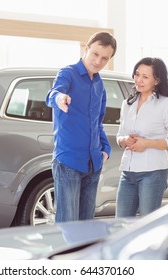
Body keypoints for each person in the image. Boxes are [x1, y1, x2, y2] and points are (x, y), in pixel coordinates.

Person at [46, 31, 117, 223]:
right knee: (67, 223)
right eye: (95, 54)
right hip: (69, 161)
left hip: (93, 163)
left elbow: (97, 122)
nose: (98, 61)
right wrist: (60, 98)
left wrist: (106, 150)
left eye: (104, 58)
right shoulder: (68, 73)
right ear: (86, 49)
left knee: (86, 226)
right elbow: (53, 93)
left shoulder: (99, 85)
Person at [115, 57, 168, 217]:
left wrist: (147, 143)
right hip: (127, 172)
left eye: (145, 77)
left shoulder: (167, 105)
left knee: (147, 224)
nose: (139, 80)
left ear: (157, 80)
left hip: (153, 173)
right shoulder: (127, 104)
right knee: (120, 223)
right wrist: (124, 140)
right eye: (137, 74)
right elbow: (120, 135)